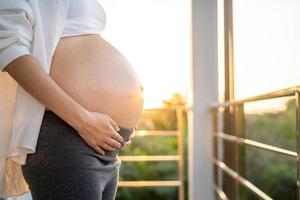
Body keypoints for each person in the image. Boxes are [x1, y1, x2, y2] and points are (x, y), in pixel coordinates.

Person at [0, 0, 144, 200]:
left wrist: (123, 117)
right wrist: (83, 121)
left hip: (100, 143)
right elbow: (9, 49)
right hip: (66, 133)